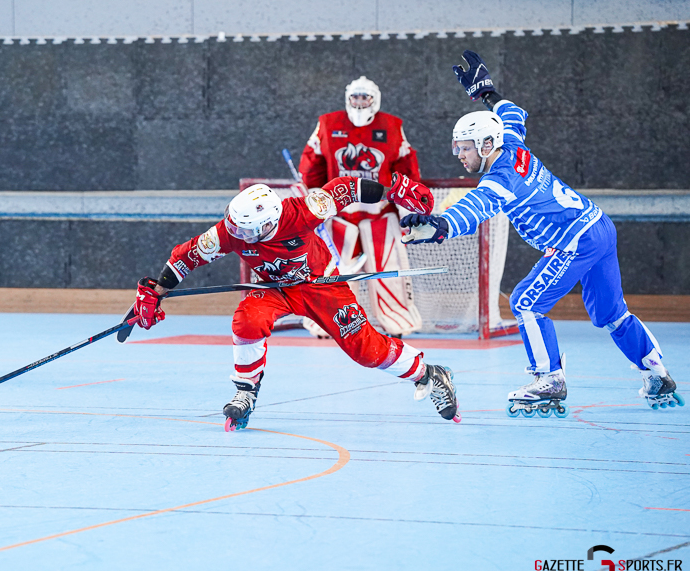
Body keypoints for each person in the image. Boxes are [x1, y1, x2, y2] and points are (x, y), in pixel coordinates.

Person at [399, 51, 682, 416]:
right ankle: (657, 372)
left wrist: (441, 224)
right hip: (599, 227)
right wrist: (487, 92)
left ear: (486, 144)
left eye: (465, 147)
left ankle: (549, 378)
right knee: (612, 313)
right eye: (458, 147)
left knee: (525, 302)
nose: (459, 155)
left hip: (575, 240)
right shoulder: (512, 143)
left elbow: (476, 207)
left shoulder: (502, 177)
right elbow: (513, 114)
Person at [131, 175, 461, 431]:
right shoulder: (232, 230)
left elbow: (344, 189)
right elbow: (187, 256)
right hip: (275, 289)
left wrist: (392, 191)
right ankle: (246, 391)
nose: (234, 234)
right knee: (247, 319)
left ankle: (429, 375)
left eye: (244, 231)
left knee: (367, 352)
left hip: (322, 287)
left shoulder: (303, 211)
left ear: (268, 223)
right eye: (233, 226)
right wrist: (157, 290)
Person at [296, 76, 424, 337]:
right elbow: (312, 163)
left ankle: (396, 321)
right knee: (332, 271)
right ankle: (328, 322)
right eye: (355, 97)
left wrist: (408, 204)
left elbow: (406, 165)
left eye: (364, 97)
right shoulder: (327, 123)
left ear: (375, 99)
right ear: (347, 98)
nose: (360, 102)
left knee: (388, 270)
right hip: (339, 214)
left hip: (380, 214)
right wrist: (315, 200)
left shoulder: (392, 125)